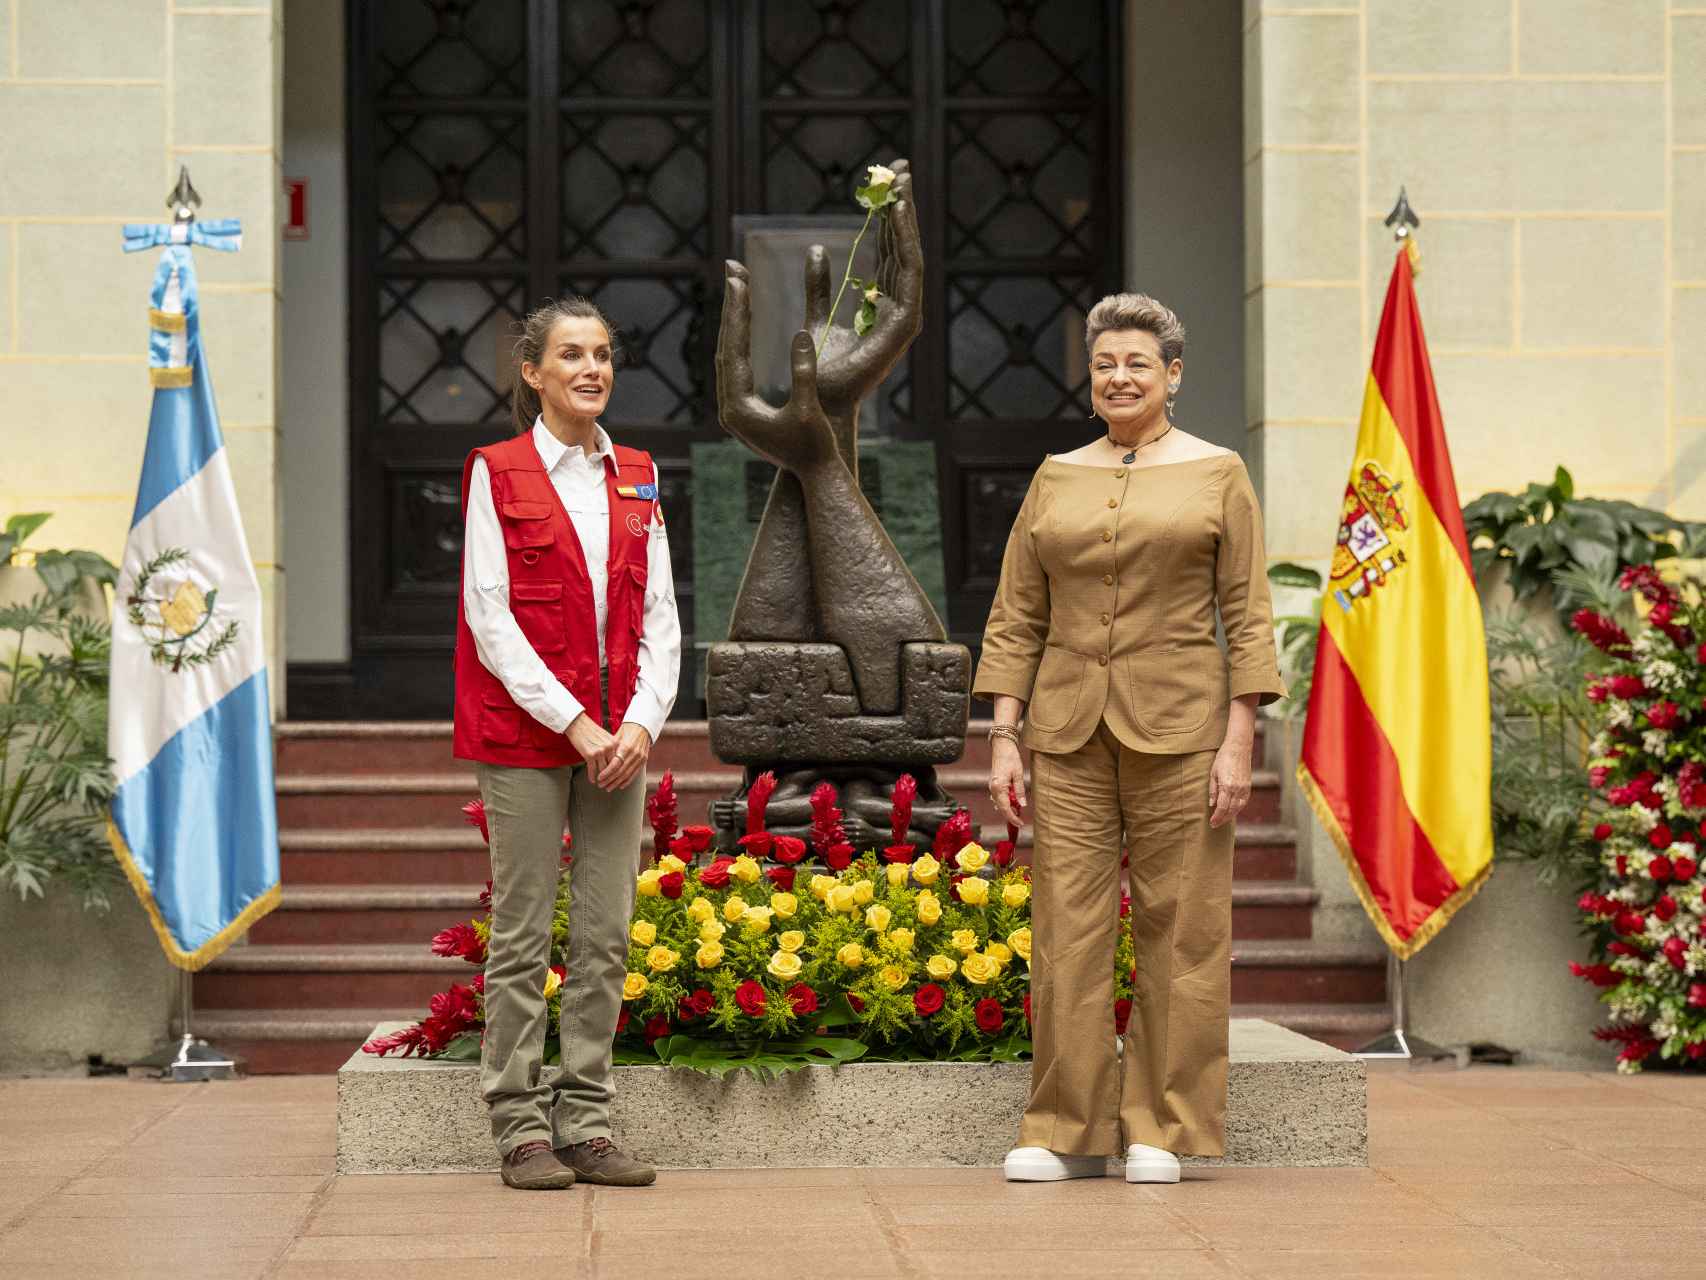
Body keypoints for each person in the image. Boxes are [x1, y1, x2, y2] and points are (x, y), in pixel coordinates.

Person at [974, 292, 1285, 1184]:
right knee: (1064, 930)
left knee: (1181, 930)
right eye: (1105, 362)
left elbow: (1245, 613)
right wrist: (1004, 733)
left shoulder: (1219, 471)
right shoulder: (1056, 475)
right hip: (1067, 732)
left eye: (1137, 364)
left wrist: (1240, 738)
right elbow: (1017, 611)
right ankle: (1065, 1131)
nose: (1119, 376)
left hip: (1185, 729)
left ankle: (1165, 1128)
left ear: (1173, 375)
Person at [452, 297, 680, 1190]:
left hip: (617, 738)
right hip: (525, 735)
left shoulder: (637, 474)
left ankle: (585, 1119)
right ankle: (517, 1124)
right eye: (572, 355)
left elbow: (660, 612)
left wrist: (640, 724)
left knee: (606, 930)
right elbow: (489, 613)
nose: (592, 369)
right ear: (534, 372)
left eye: (604, 355)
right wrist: (576, 723)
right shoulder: (496, 470)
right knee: (520, 932)